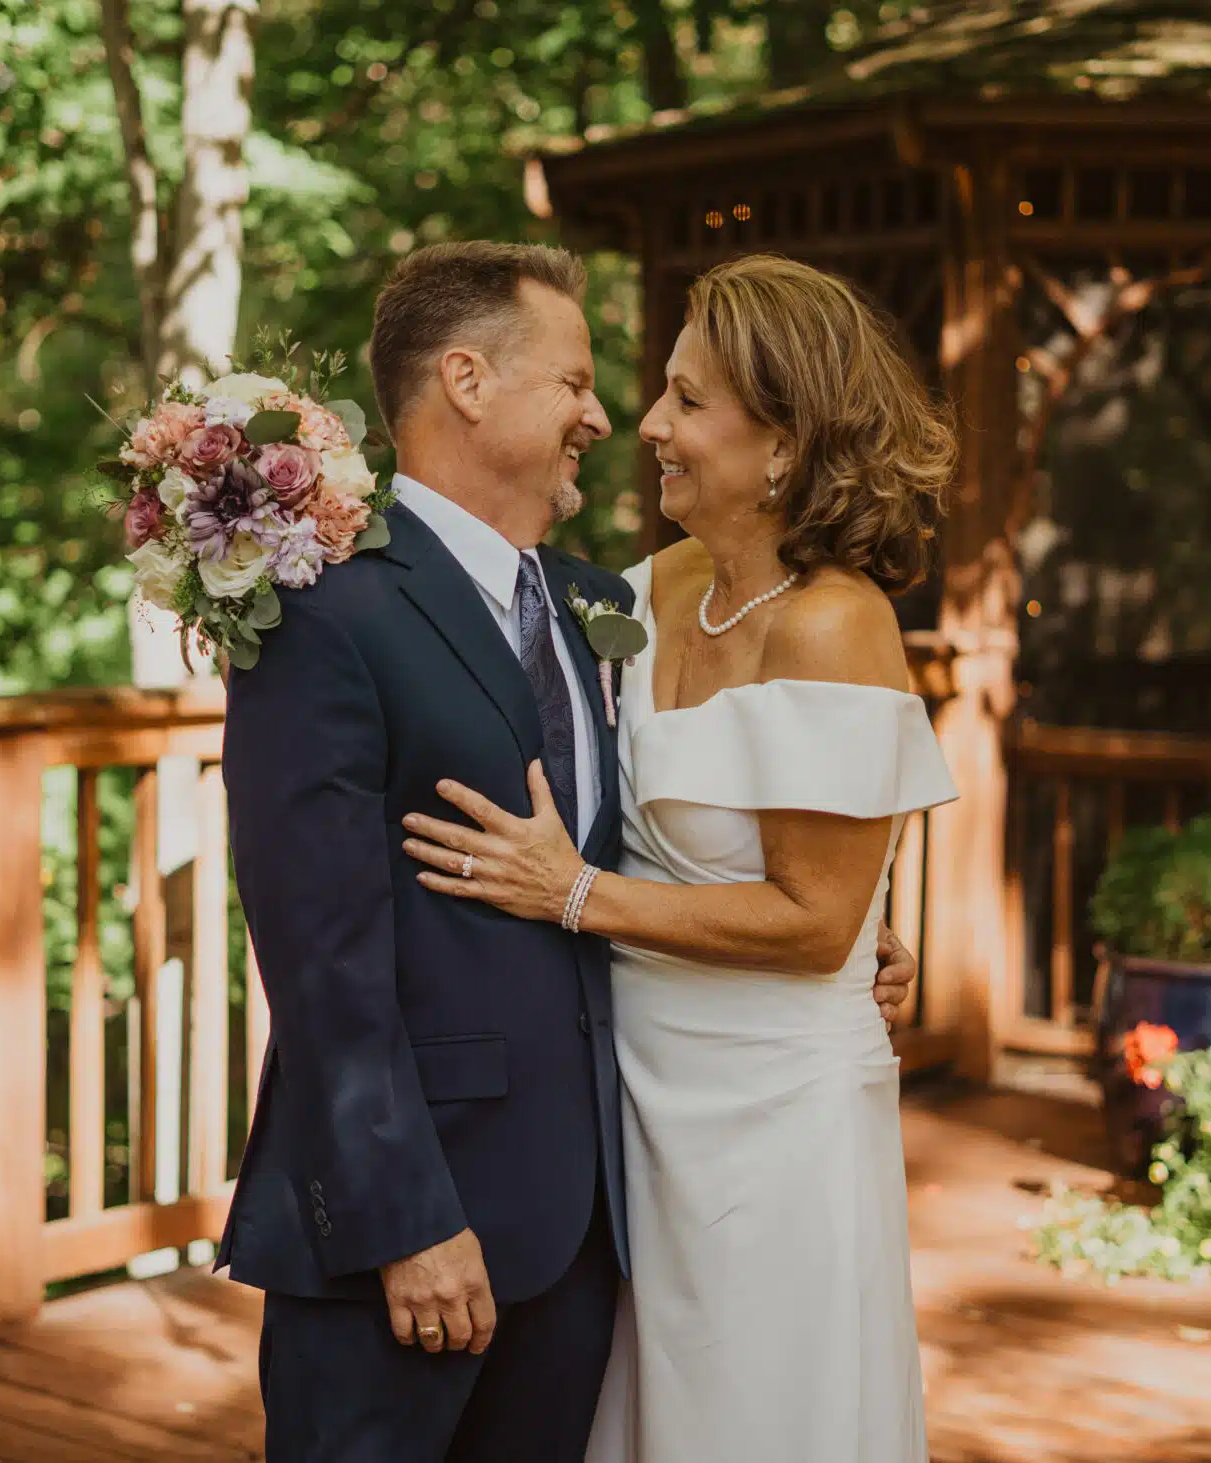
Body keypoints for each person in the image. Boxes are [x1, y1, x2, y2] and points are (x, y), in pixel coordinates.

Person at [215, 241, 918, 1463]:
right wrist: (400, 1220)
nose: (623, 417)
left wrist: (850, 929)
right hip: (436, 1214)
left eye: (679, 398)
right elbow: (318, 953)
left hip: (617, 1197)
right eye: (584, 382)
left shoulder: (604, 600)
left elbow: (783, 855)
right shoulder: (348, 607)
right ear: (469, 382)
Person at [402, 252, 958, 1463]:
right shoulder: (642, 592)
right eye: (659, 388)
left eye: (688, 401)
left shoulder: (834, 622)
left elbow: (815, 927)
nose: (645, 423)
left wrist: (577, 894)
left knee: (755, 1411)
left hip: (772, 1111)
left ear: (784, 446)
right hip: (632, 1100)